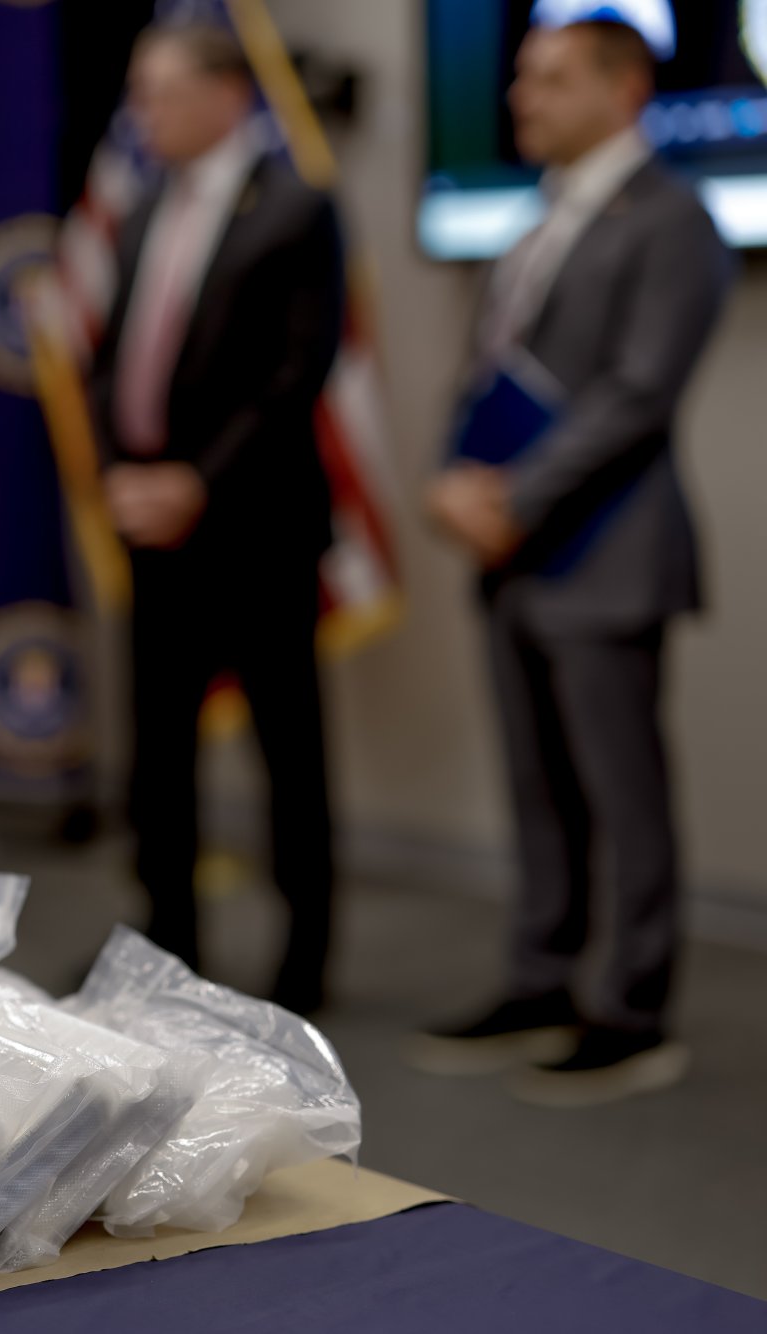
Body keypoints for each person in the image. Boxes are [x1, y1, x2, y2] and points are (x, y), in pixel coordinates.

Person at [416, 19, 732, 1105]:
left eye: (546, 78)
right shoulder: (532, 218)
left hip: (604, 551)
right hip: (513, 555)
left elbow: (637, 395)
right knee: (535, 786)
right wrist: (451, 479)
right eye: (517, 76)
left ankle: (630, 1009)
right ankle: (539, 978)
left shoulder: (673, 219)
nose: (518, 96)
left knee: (619, 788)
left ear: (622, 87)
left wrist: (511, 497)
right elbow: (487, 369)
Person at [88, 22, 344, 1014]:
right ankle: (165, 946)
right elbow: (113, 359)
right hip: (152, 522)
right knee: (156, 750)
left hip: (253, 524)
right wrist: (123, 473)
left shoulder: (292, 206)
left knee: (287, 747)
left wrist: (195, 480)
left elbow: (292, 373)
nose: (139, 113)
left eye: (156, 92)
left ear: (224, 93)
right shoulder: (144, 205)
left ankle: (302, 957)